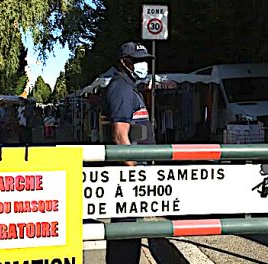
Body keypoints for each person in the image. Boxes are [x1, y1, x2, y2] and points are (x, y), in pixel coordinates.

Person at [104, 42, 155, 264]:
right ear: (125, 62)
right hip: (129, 173)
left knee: (130, 231)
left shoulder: (128, 87)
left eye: (145, 60)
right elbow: (119, 135)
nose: (143, 65)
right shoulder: (122, 88)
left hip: (132, 169)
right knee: (126, 231)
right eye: (138, 60)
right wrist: (133, 172)